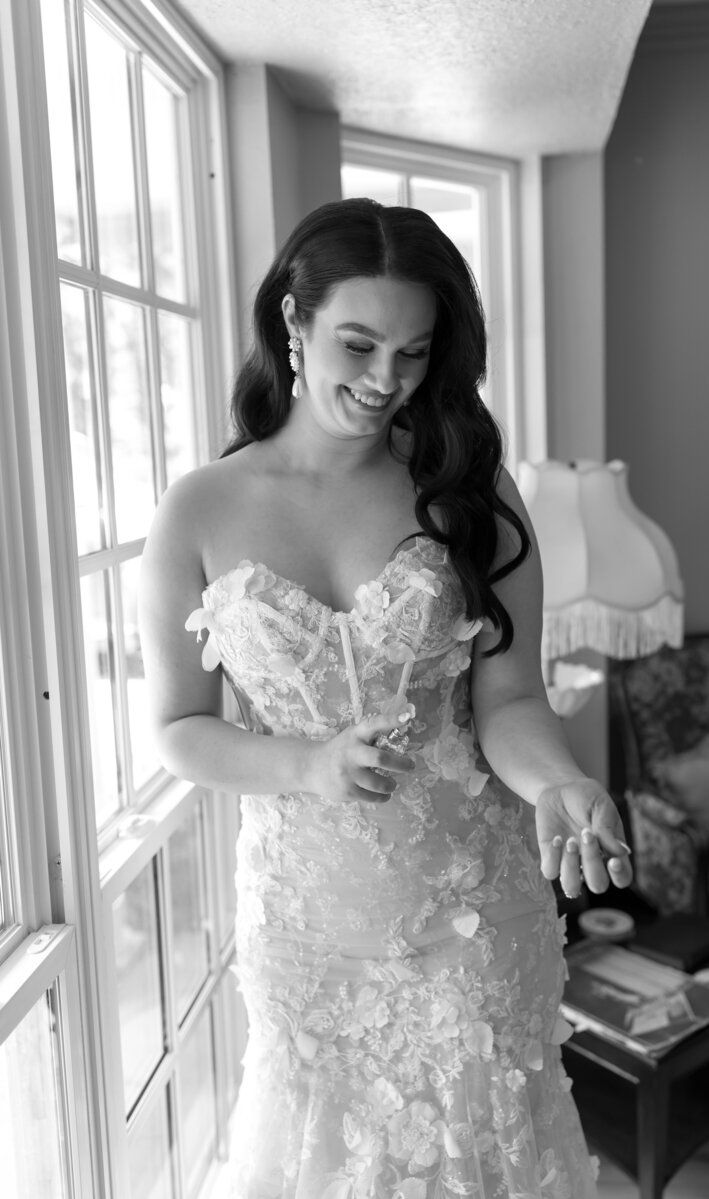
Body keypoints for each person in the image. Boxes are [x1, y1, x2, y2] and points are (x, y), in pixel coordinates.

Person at [140, 197, 633, 1198]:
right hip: (311, 925)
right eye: (358, 345)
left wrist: (558, 782)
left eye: (412, 353)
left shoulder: (469, 495)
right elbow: (179, 729)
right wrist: (305, 764)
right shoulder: (199, 509)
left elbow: (509, 701)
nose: (383, 380)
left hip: (472, 912)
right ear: (294, 320)